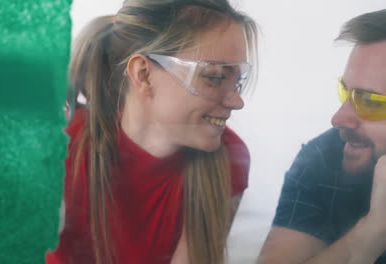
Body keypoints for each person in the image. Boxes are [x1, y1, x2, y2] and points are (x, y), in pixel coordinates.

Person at [45, 0, 258, 263]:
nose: (237, 101)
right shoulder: (59, 146)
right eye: (213, 77)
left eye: (238, 80)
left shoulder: (228, 159)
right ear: (143, 74)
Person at [258, 2, 386, 264]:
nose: (338, 119)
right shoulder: (325, 157)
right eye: (345, 92)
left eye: (370, 100)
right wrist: (374, 232)